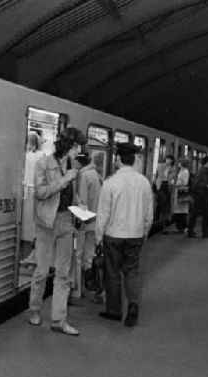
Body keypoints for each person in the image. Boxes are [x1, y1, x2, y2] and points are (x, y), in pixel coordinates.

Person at [27, 127, 87, 336]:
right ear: (68, 145)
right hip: (46, 223)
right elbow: (41, 193)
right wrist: (64, 180)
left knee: (64, 273)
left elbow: (72, 194)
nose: (79, 150)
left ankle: (58, 320)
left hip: (66, 221)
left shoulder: (72, 165)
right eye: (77, 146)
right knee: (42, 271)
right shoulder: (43, 164)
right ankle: (34, 309)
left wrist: (81, 205)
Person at [95, 142, 154, 327]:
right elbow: (149, 213)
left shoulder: (110, 183)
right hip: (135, 235)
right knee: (132, 271)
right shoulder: (144, 182)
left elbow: (103, 214)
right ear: (133, 159)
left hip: (113, 235)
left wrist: (98, 236)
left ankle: (114, 311)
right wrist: (144, 232)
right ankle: (133, 306)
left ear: (118, 159)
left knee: (112, 273)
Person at [75, 152, 103, 293]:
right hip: (95, 221)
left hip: (84, 222)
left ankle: (77, 291)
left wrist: (80, 221)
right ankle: (91, 285)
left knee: (78, 255)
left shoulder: (84, 175)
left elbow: (83, 201)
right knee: (89, 255)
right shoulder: (97, 175)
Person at [20, 131, 44, 266]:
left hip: (26, 192)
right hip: (37, 192)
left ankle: (27, 255)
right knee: (34, 226)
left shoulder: (25, 156)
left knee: (26, 224)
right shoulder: (42, 156)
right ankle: (32, 254)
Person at [187, 156, 208, 238]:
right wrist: (207, 186)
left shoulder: (203, 170)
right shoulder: (202, 171)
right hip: (201, 195)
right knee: (199, 214)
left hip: (201, 195)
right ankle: (200, 232)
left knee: (199, 214)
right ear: (207, 163)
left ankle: (199, 231)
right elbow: (197, 184)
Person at [155, 155, 177, 232]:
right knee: (162, 204)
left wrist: (169, 174)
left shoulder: (173, 168)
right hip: (160, 187)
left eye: (170, 160)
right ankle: (159, 220)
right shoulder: (160, 166)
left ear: (172, 161)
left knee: (166, 206)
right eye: (167, 159)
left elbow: (172, 178)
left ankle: (163, 224)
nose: (168, 161)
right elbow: (159, 176)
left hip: (167, 187)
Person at [170, 158, 192, 232]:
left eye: (179, 162)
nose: (178, 164)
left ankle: (183, 227)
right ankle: (181, 227)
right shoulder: (182, 171)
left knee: (181, 210)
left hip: (181, 192)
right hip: (180, 192)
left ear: (182, 164)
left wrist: (174, 182)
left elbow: (184, 182)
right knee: (180, 210)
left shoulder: (185, 171)